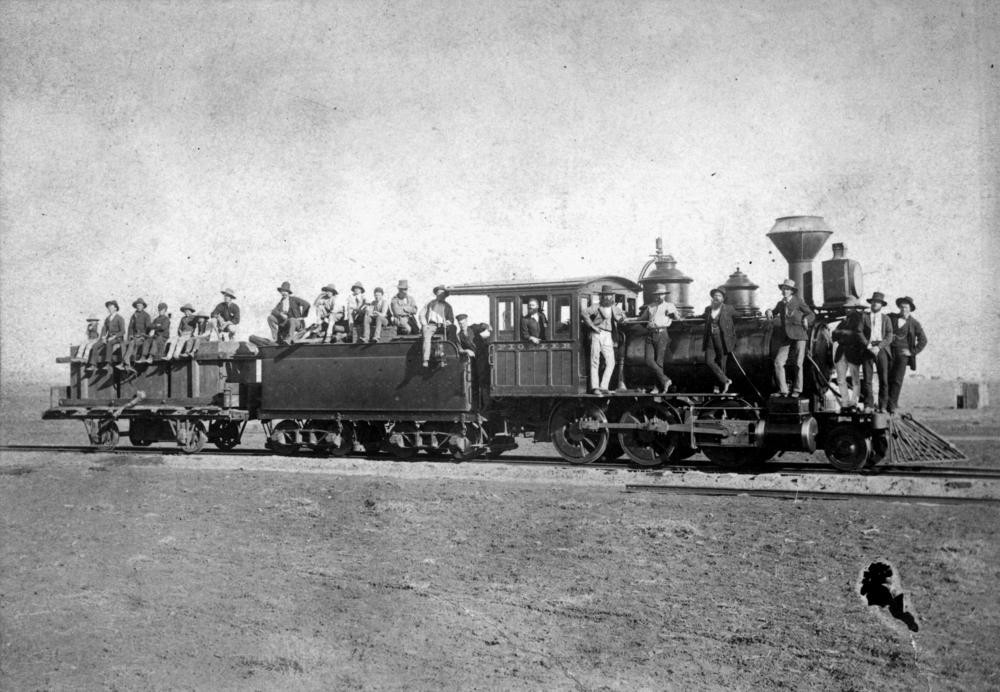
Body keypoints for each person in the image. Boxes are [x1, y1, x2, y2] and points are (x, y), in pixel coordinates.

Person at [765, 278, 815, 397]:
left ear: (791, 291)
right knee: (778, 362)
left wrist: (806, 319)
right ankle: (783, 390)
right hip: (785, 337)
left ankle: (797, 390)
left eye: (787, 289)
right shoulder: (781, 304)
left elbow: (811, 313)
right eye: (783, 288)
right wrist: (768, 311)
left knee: (798, 363)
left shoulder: (798, 301)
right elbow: (773, 312)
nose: (785, 291)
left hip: (799, 335)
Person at [634, 285, 679, 393]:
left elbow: (677, 318)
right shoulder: (650, 307)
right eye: (657, 294)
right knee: (648, 360)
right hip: (650, 334)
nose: (659, 296)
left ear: (665, 295)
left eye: (661, 294)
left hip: (662, 334)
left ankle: (657, 387)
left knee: (659, 362)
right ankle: (665, 380)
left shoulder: (669, 306)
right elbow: (641, 319)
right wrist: (628, 319)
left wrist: (672, 314)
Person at [886, 296, 927, 414]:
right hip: (889, 352)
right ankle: (885, 403)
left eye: (906, 307)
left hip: (902, 355)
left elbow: (923, 340)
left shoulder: (914, 323)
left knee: (897, 379)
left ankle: (892, 405)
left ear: (910, 309)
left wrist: (912, 352)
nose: (904, 309)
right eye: (902, 307)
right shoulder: (891, 317)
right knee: (887, 377)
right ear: (899, 307)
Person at [581, 285, 625, 394]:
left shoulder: (615, 308)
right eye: (605, 295)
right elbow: (584, 313)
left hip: (608, 335)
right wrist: (592, 326)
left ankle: (603, 386)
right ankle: (595, 388)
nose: (607, 297)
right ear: (602, 296)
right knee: (595, 361)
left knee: (611, 362)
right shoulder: (596, 306)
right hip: (596, 334)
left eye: (609, 295)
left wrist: (622, 318)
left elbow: (621, 318)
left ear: (612, 297)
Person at [861, 291, 894, 412]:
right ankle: (868, 405)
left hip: (882, 349)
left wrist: (879, 347)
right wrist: (869, 345)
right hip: (867, 349)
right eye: (874, 302)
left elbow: (889, 335)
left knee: (884, 379)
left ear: (882, 305)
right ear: (871, 303)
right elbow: (859, 332)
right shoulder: (864, 317)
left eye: (878, 302)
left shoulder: (886, 319)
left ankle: (883, 406)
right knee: (867, 379)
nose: (875, 304)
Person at [701, 287, 737, 393]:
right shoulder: (708, 309)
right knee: (708, 360)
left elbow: (738, 315)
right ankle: (725, 380)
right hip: (710, 338)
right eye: (715, 296)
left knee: (722, 362)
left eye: (719, 296)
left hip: (722, 339)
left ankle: (723, 388)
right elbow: (702, 317)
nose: (716, 297)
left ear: (723, 299)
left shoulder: (728, 308)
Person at [833, 308, 867, 409]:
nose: (847, 309)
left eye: (849, 307)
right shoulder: (844, 320)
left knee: (855, 379)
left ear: (854, 308)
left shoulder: (859, 319)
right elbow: (834, 334)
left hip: (853, 352)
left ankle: (854, 402)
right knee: (840, 379)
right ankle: (845, 401)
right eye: (846, 307)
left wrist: (842, 332)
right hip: (841, 353)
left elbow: (857, 334)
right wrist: (844, 332)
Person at [420, 285, 455, 367]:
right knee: (427, 336)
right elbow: (421, 314)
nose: (440, 296)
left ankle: (447, 357)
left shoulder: (448, 306)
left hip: (443, 326)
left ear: (445, 296)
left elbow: (451, 319)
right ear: (436, 294)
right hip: (431, 325)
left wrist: (448, 322)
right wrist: (425, 324)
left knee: (452, 329)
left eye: (442, 294)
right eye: (439, 294)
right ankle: (426, 359)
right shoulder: (430, 303)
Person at [89, 300, 126, 368]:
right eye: (108, 308)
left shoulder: (120, 318)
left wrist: (114, 336)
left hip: (117, 338)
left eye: (111, 307)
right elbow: (104, 329)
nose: (109, 309)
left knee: (109, 343)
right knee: (95, 345)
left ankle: (108, 363)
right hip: (108, 338)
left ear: (115, 308)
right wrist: (103, 337)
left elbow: (123, 331)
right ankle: (93, 365)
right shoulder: (107, 319)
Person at [118, 298, 153, 370]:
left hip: (142, 338)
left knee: (132, 343)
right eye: (137, 305)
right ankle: (126, 363)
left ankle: (125, 363)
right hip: (134, 336)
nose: (139, 307)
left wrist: (143, 334)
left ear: (143, 306)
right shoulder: (133, 315)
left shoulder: (146, 316)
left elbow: (149, 327)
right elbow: (130, 327)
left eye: (140, 305)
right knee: (123, 343)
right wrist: (130, 335)